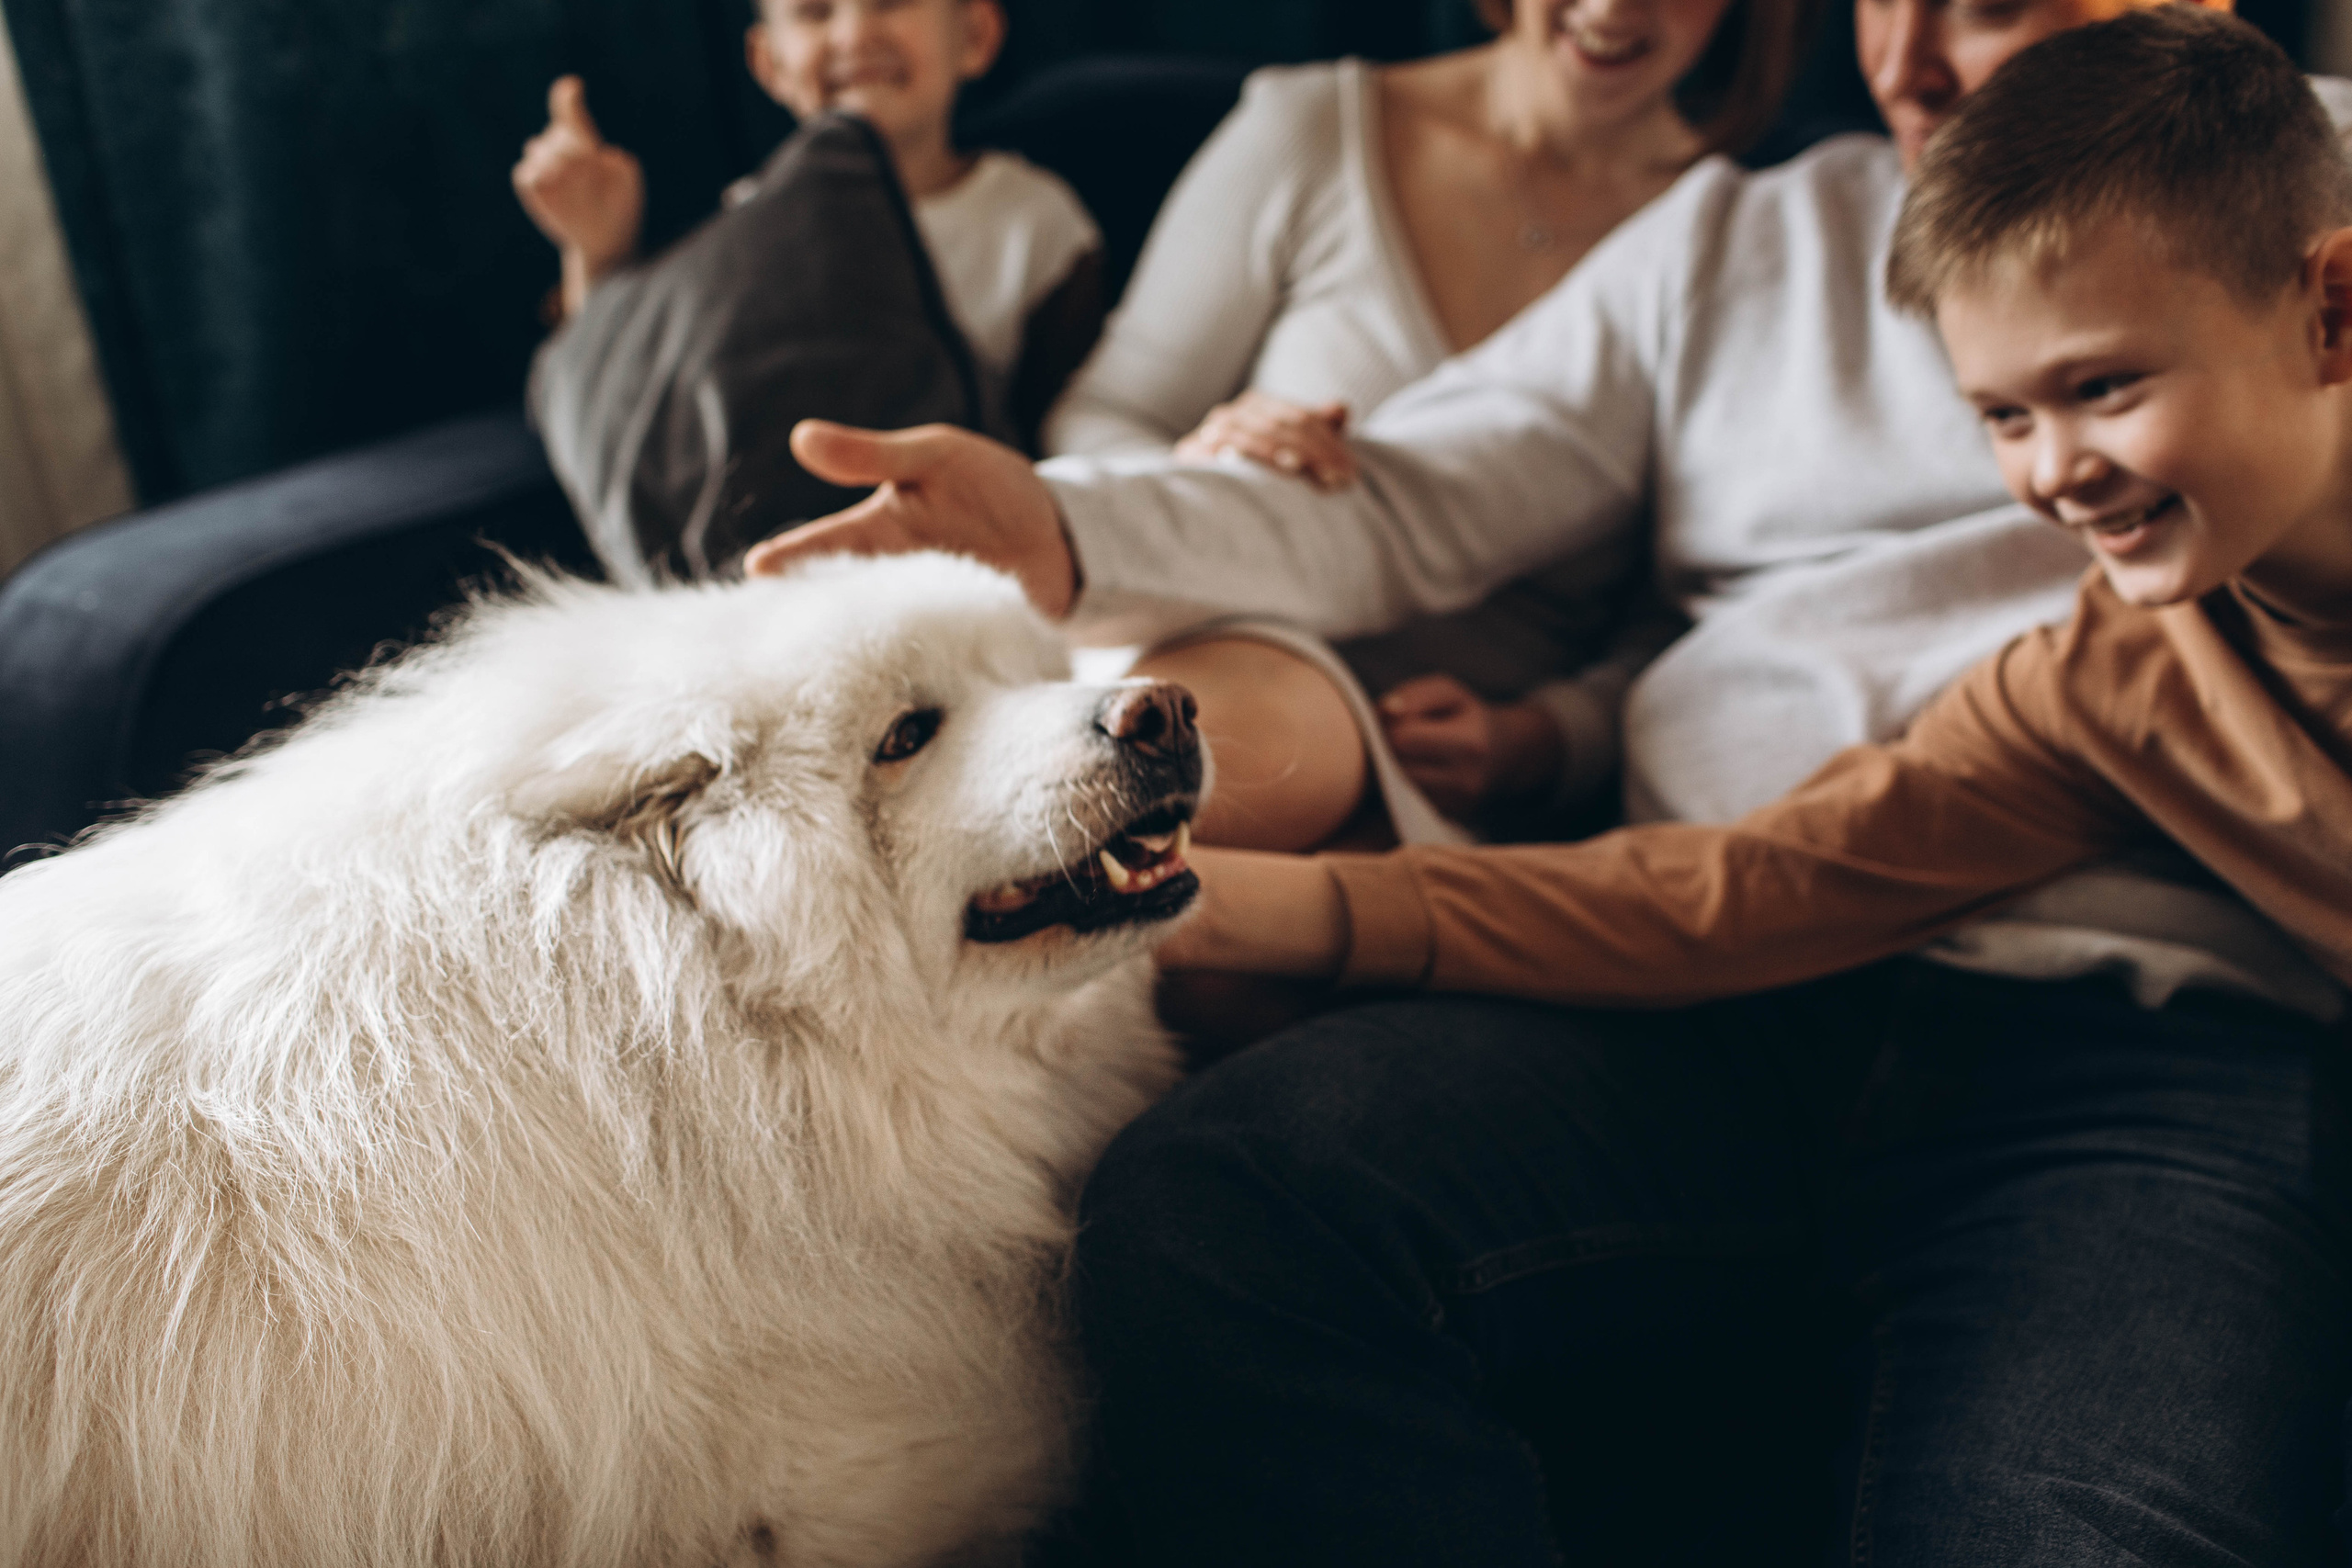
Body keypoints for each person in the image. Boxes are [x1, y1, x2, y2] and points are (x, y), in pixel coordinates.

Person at [745, 0, 2352, 1560]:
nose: (1913, 59)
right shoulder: (2078, 650)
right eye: (2000, 416)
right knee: (1222, 1199)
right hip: (1714, 989)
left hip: (2136, 1040)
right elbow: (1718, 857)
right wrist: (1069, 534)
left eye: (2105, 387)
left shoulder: (2270, 194)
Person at [1041, 0, 1812, 847]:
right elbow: (1106, 412)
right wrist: (1196, 462)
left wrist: (1542, 738)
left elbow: (1708, 609)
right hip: (1218, 651)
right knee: (1178, 792)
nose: (1612, 6)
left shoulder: (1740, 245)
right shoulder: (1313, 129)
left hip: (1455, 800)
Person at [510, 0, 1102, 439]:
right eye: (814, 12)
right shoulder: (748, 220)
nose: (855, 34)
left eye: (892, 1)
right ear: (769, 63)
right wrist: (598, 254)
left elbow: (1075, 424)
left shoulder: (1034, 220)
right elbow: (621, 415)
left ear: (974, 33)